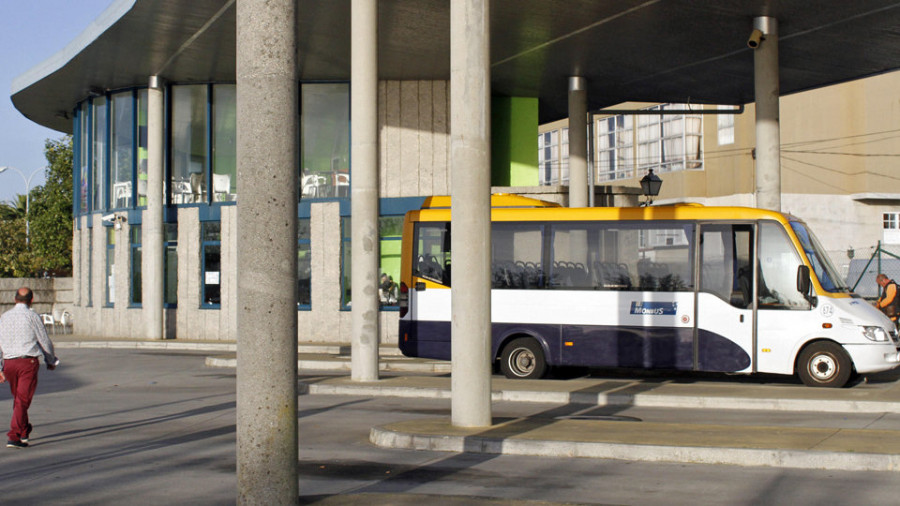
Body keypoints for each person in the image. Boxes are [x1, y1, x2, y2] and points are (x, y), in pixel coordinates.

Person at [0, 287, 59, 449]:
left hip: (9, 363)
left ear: (15, 299)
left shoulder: (4, 317)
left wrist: (0, 367)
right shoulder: (32, 316)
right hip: (28, 362)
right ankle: (13, 436)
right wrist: (51, 360)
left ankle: (24, 430)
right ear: (31, 300)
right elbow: (44, 341)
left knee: (19, 400)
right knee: (22, 400)